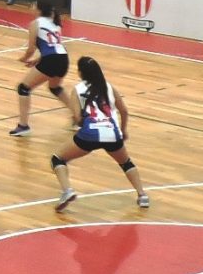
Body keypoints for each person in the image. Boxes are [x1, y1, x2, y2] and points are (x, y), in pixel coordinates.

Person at [51, 56, 150, 212]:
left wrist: (81, 123)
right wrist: (123, 130)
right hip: (112, 134)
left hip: (89, 135)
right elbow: (124, 111)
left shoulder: (78, 89)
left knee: (58, 159)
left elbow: (77, 118)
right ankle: (142, 195)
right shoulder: (109, 87)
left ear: (81, 73)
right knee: (126, 163)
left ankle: (67, 190)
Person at [9, 0, 72, 137]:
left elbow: (31, 49)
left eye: (33, 5)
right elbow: (55, 47)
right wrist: (38, 60)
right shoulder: (55, 24)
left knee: (23, 88)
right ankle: (78, 117)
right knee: (55, 87)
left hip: (51, 60)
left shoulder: (35, 23)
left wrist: (25, 58)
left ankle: (23, 126)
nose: (31, 7)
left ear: (39, 9)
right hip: (63, 59)